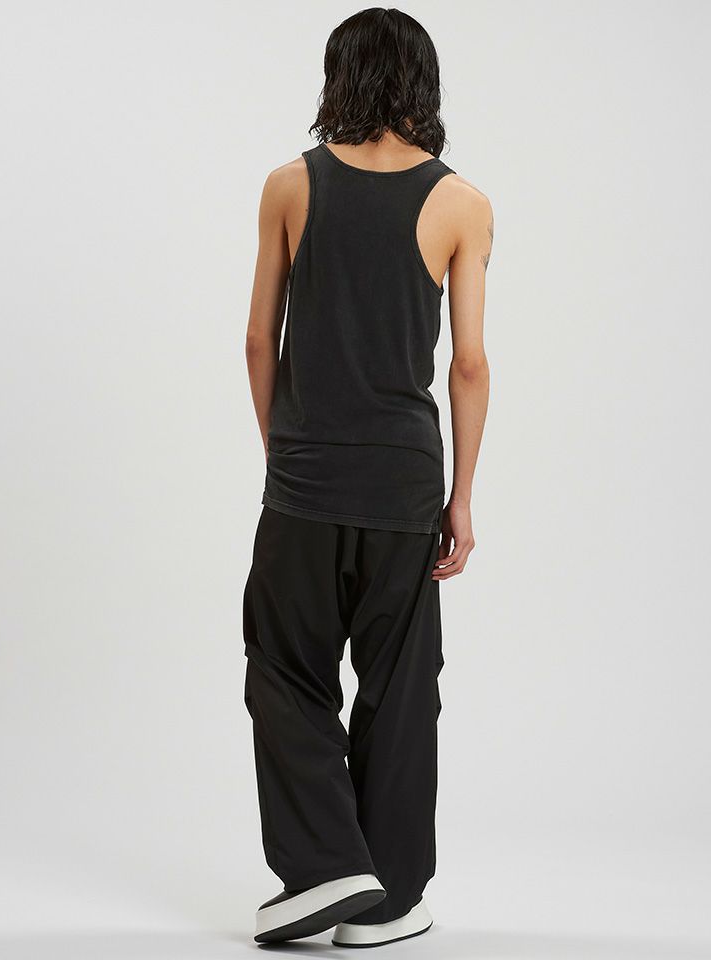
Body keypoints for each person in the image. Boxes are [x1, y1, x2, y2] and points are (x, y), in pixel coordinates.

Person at [241, 7, 492, 947]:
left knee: (285, 670)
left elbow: (258, 341)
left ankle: (322, 868)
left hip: (305, 481)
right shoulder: (463, 204)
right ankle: (386, 900)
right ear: (423, 81)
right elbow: (469, 365)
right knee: (401, 686)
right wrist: (461, 497)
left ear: (337, 76)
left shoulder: (288, 186)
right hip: (405, 489)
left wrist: (283, 453)